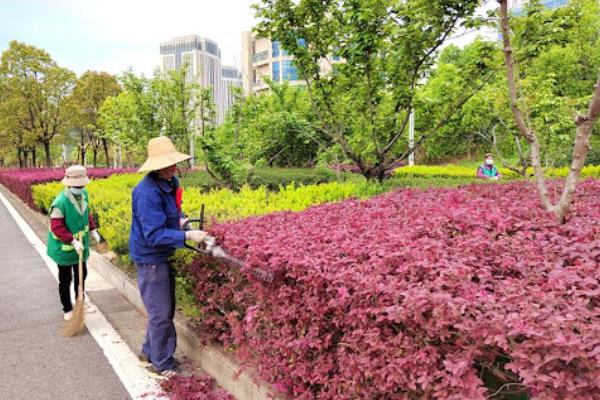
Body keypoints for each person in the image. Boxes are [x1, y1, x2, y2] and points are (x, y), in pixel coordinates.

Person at [129, 136, 212, 378]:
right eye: (166, 164)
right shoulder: (146, 192)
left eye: (172, 163)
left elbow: (173, 211)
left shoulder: (170, 181)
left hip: (161, 255)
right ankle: (161, 364)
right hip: (150, 256)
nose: (171, 167)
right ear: (155, 166)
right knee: (161, 312)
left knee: (161, 309)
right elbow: (154, 234)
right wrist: (188, 236)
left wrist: (183, 221)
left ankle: (148, 353)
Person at [47, 165, 101, 321]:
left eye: (82, 185)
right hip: (64, 249)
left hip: (80, 247)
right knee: (65, 280)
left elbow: (86, 214)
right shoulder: (60, 203)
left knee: (81, 276)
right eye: (77, 186)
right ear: (69, 184)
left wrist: (93, 230)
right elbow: (57, 228)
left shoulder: (83, 195)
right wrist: (72, 241)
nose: (80, 188)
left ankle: (81, 302)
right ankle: (67, 308)